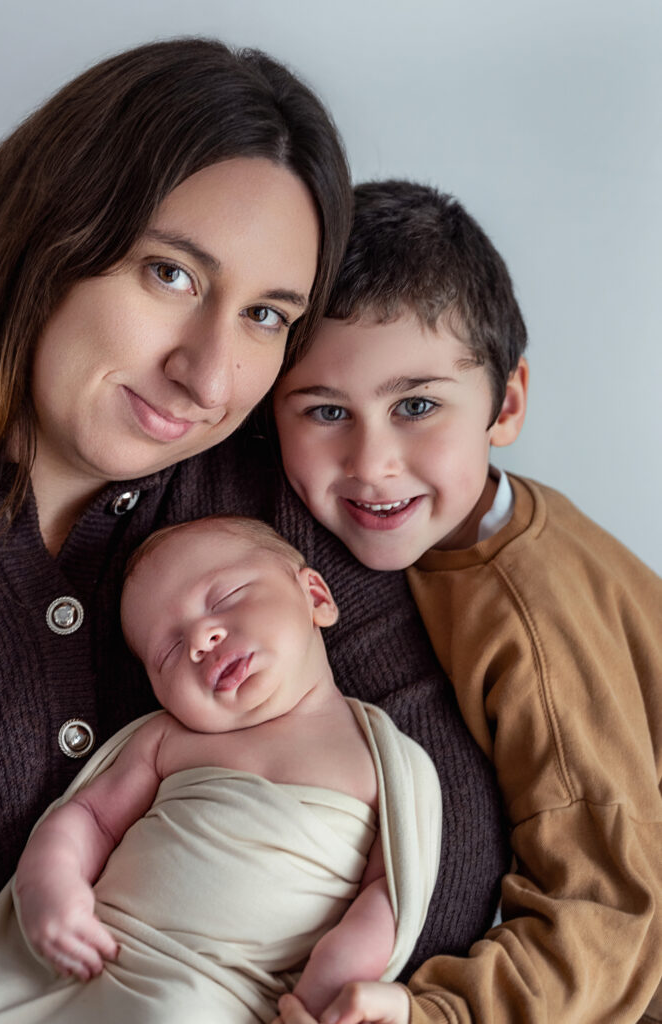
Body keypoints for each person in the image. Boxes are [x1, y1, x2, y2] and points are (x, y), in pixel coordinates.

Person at [0, 35, 511, 980]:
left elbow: (452, 842)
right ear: (51, 234)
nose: (208, 374)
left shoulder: (275, 494)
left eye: (266, 314)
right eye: (171, 274)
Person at [272, 180, 662, 1023]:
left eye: (416, 406)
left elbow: (610, 918)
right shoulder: (452, 533)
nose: (371, 461)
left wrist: (432, 1015)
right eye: (325, 411)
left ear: (506, 403)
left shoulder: (528, 616)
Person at [0, 515, 441, 1023]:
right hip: (107, 958)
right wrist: (47, 884)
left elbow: (389, 894)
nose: (202, 637)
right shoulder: (168, 740)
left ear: (315, 597)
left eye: (226, 598)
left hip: (229, 993)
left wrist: (328, 985)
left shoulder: (384, 759)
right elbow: (89, 817)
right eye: (170, 651)